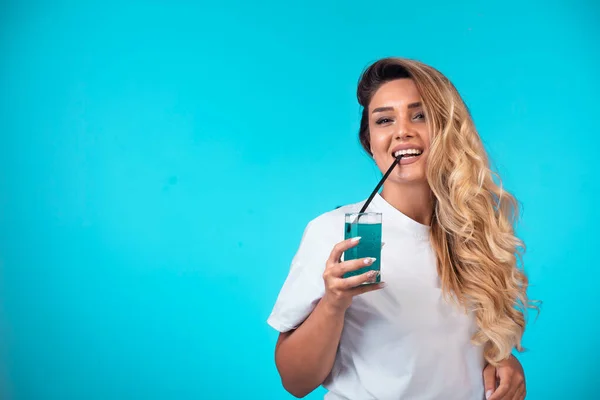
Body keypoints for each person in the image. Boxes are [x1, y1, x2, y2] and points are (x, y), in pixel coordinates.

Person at [267, 57, 536, 400]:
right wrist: (334, 302)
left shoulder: (475, 233)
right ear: (371, 143)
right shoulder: (335, 233)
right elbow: (295, 381)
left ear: (448, 129)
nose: (402, 130)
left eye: (420, 115)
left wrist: (503, 362)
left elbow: (455, 352)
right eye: (384, 120)